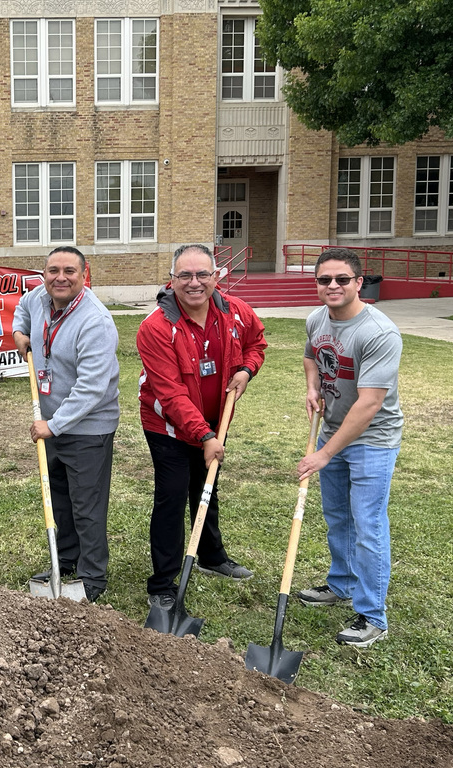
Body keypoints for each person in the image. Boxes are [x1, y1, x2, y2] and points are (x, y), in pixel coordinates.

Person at [137, 244, 267, 613]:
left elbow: (256, 343)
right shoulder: (157, 328)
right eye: (185, 276)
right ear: (172, 280)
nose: (194, 283)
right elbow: (171, 394)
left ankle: (211, 556)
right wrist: (206, 437)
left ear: (216, 276)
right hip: (168, 426)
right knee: (173, 495)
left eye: (202, 275)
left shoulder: (235, 312)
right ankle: (162, 581)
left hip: (215, 420)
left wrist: (246, 369)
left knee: (206, 488)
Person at [296, 247, 403, 648]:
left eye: (342, 279)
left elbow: (370, 403)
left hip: (372, 439)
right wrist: (311, 387)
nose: (333, 286)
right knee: (338, 516)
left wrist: (324, 454)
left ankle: (372, 615)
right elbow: (312, 355)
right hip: (333, 430)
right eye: (325, 280)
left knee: (367, 525)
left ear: (359, 283)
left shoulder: (378, 332)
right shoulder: (316, 318)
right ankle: (341, 584)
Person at [12, 247, 120, 604]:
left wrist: (52, 426)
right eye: (53, 270)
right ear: (43, 274)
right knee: (61, 500)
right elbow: (21, 311)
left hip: (87, 427)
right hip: (53, 423)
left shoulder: (95, 322)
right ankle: (68, 560)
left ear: (84, 275)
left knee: (86, 504)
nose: (61, 277)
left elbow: (91, 388)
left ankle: (92, 576)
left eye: (70, 271)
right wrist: (19, 334)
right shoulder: (39, 300)